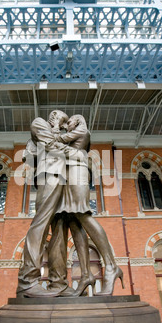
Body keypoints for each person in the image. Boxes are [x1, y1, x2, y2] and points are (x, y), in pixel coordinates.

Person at [17, 110, 87, 298]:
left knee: (60, 230)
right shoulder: (39, 123)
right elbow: (51, 145)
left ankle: (58, 283)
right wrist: (77, 154)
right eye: (59, 120)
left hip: (64, 180)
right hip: (49, 175)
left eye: (64, 122)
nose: (60, 123)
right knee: (40, 223)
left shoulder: (60, 132)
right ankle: (28, 281)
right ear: (53, 117)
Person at [53, 115, 124, 296]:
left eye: (68, 122)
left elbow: (56, 141)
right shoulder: (75, 135)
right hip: (70, 175)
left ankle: (111, 266)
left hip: (78, 173)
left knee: (83, 214)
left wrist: (54, 125)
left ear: (77, 121)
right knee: (74, 222)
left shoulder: (82, 130)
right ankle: (86, 275)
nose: (65, 126)